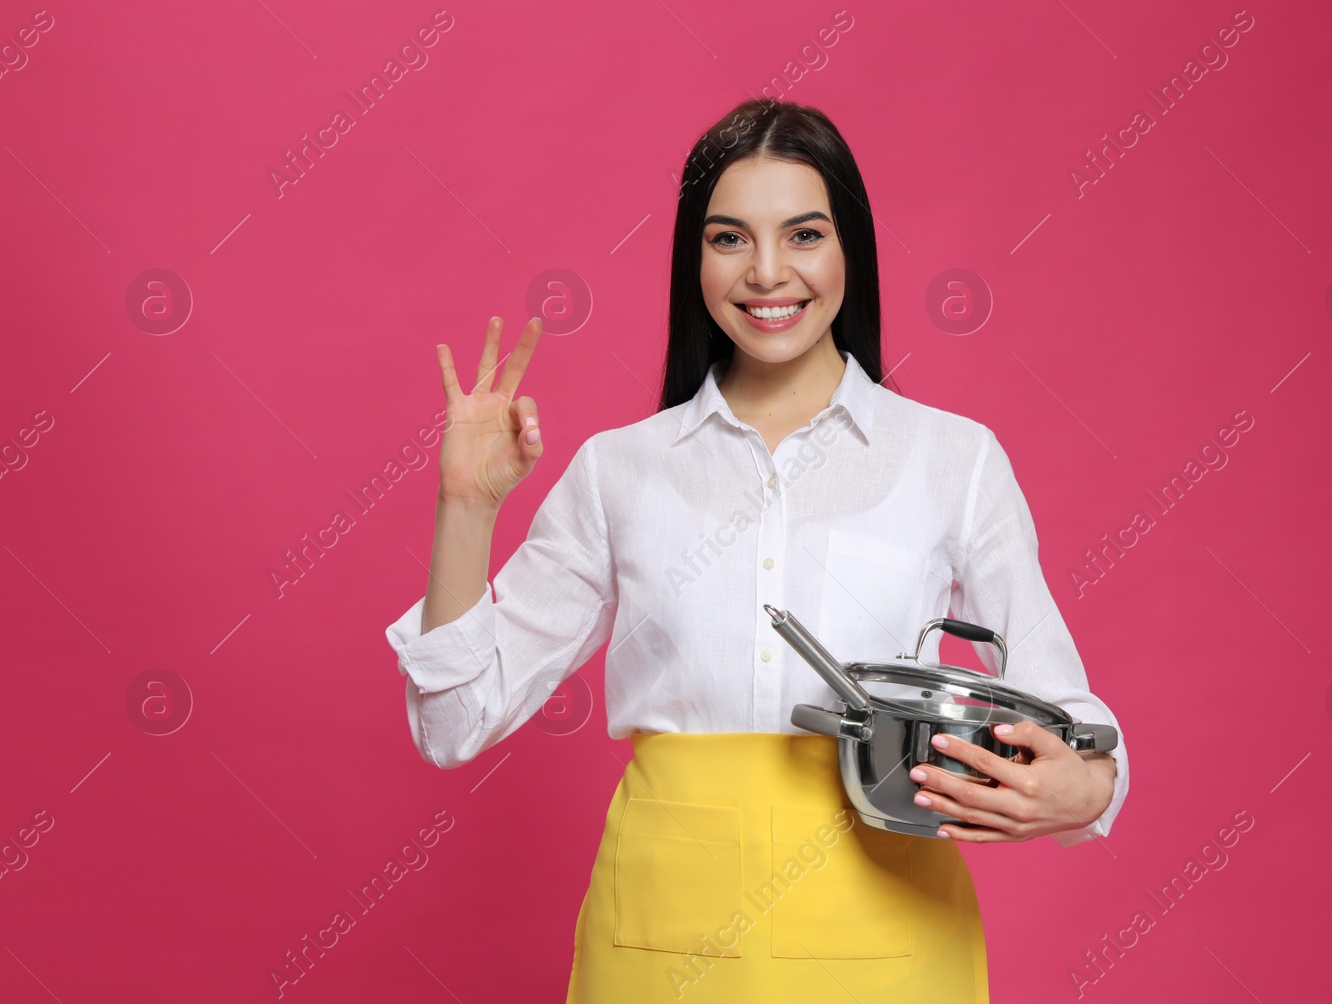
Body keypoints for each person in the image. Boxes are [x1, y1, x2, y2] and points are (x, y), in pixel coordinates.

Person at [384, 98, 1129, 1003]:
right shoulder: (621, 470)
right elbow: (456, 724)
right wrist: (465, 507)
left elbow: (1066, 712)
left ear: (850, 247)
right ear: (693, 259)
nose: (768, 272)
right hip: (661, 949)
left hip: (890, 945)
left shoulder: (951, 459)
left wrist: (1088, 786)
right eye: (729, 238)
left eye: (804, 234)